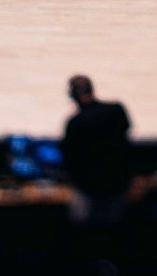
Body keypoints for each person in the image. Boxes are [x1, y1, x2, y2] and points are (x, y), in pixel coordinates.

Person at [61, 74, 133, 226]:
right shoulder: (116, 110)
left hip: (89, 191)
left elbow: (69, 158)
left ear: (74, 95)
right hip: (116, 187)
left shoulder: (75, 123)